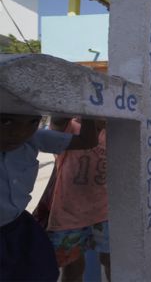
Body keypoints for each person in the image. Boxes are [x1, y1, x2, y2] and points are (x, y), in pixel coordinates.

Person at [0, 113, 97, 281]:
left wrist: (87, 105)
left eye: (33, 121)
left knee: (43, 273)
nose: (19, 132)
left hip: (17, 227)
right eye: (5, 121)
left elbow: (87, 141)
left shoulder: (33, 139)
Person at [45, 118, 111, 282]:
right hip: (69, 216)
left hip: (105, 214)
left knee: (113, 261)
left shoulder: (114, 133)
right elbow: (57, 120)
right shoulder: (70, 127)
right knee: (73, 269)